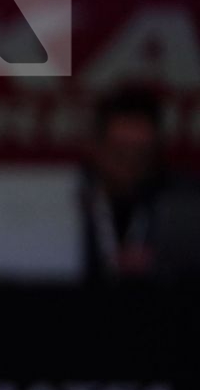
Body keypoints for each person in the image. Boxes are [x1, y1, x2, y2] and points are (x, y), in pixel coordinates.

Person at [81, 85, 200, 280]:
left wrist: (161, 263)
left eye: (142, 154)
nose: (131, 164)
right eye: (120, 154)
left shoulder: (187, 201)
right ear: (95, 147)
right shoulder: (65, 199)